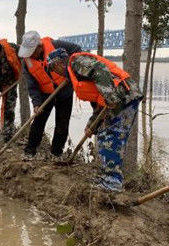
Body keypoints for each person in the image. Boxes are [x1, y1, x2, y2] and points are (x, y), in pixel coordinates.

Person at [46, 48, 142, 192]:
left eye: (53, 67)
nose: (55, 72)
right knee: (105, 135)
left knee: (110, 137)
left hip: (124, 97)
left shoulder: (76, 63)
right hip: (121, 98)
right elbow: (99, 102)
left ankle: (112, 182)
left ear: (59, 63)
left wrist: (110, 97)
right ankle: (108, 177)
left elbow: (100, 69)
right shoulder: (76, 73)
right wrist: (92, 124)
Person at [17, 31, 82, 160]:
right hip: (45, 93)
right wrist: (36, 103)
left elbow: (78, 51)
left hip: (64, 91)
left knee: (62, 123)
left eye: (32, 51)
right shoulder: (27, 61)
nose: (30, 55)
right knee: (38, 121)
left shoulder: (56, 45)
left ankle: (56, 153)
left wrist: (70, 72)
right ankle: (30, 151)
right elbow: (32, 85)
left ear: (39, 47)